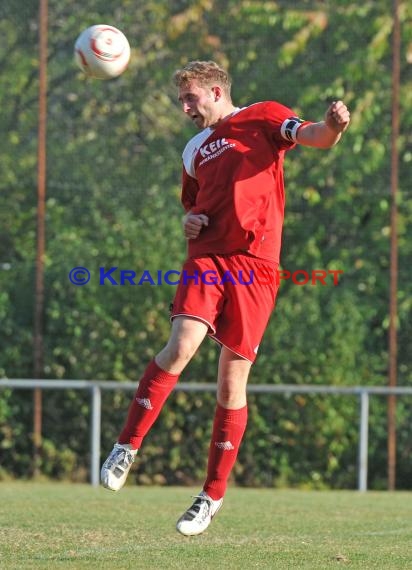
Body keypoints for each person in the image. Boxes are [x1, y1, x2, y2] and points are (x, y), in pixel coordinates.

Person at [101, 60, 350, 536]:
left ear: (216, 91)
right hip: (208, 259)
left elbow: (314, 135)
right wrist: (189, 221)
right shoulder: (193, 149)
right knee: (180, 346)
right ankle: (127, 446)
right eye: (181, 102)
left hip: (256, 265)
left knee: (231, 383)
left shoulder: (262, 116)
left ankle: (210, 496)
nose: (186, 109)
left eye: (191, 99)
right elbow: (193, 207)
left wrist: (334, 127)